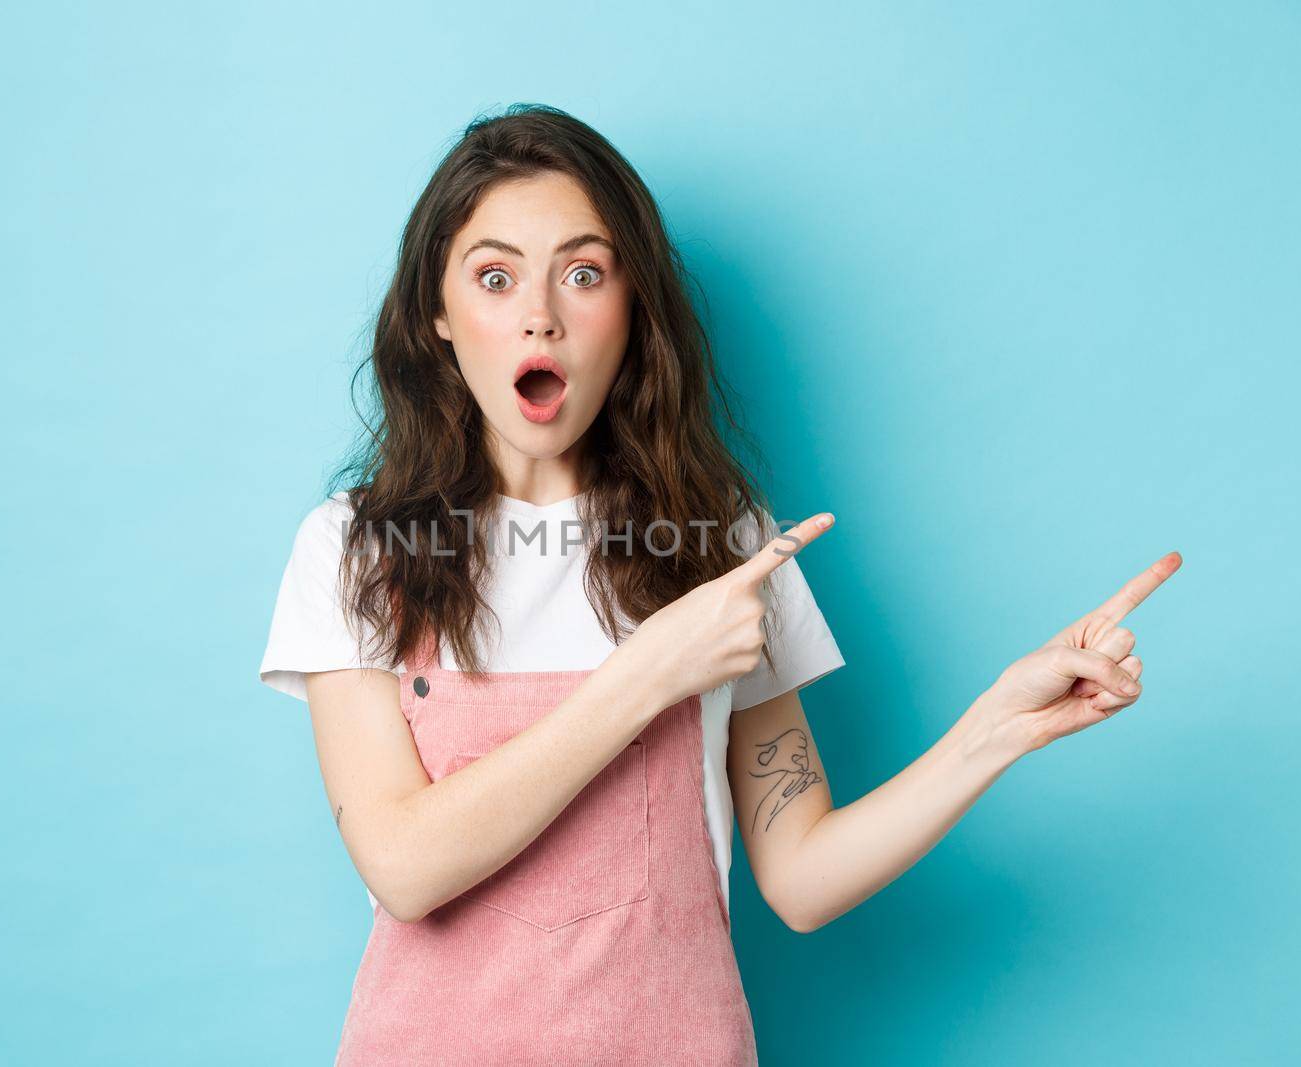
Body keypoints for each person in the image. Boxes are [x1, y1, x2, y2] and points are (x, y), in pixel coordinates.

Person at [257, 104, 1180, 1066]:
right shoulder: (356, 551)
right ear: (437, 316)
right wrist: (651, 671)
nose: (540, 313)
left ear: (632, 309)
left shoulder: (725, 548)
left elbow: (803, 874)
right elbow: (405, 868)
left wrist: (1002, 724)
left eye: (583, 273)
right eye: (495, 277)